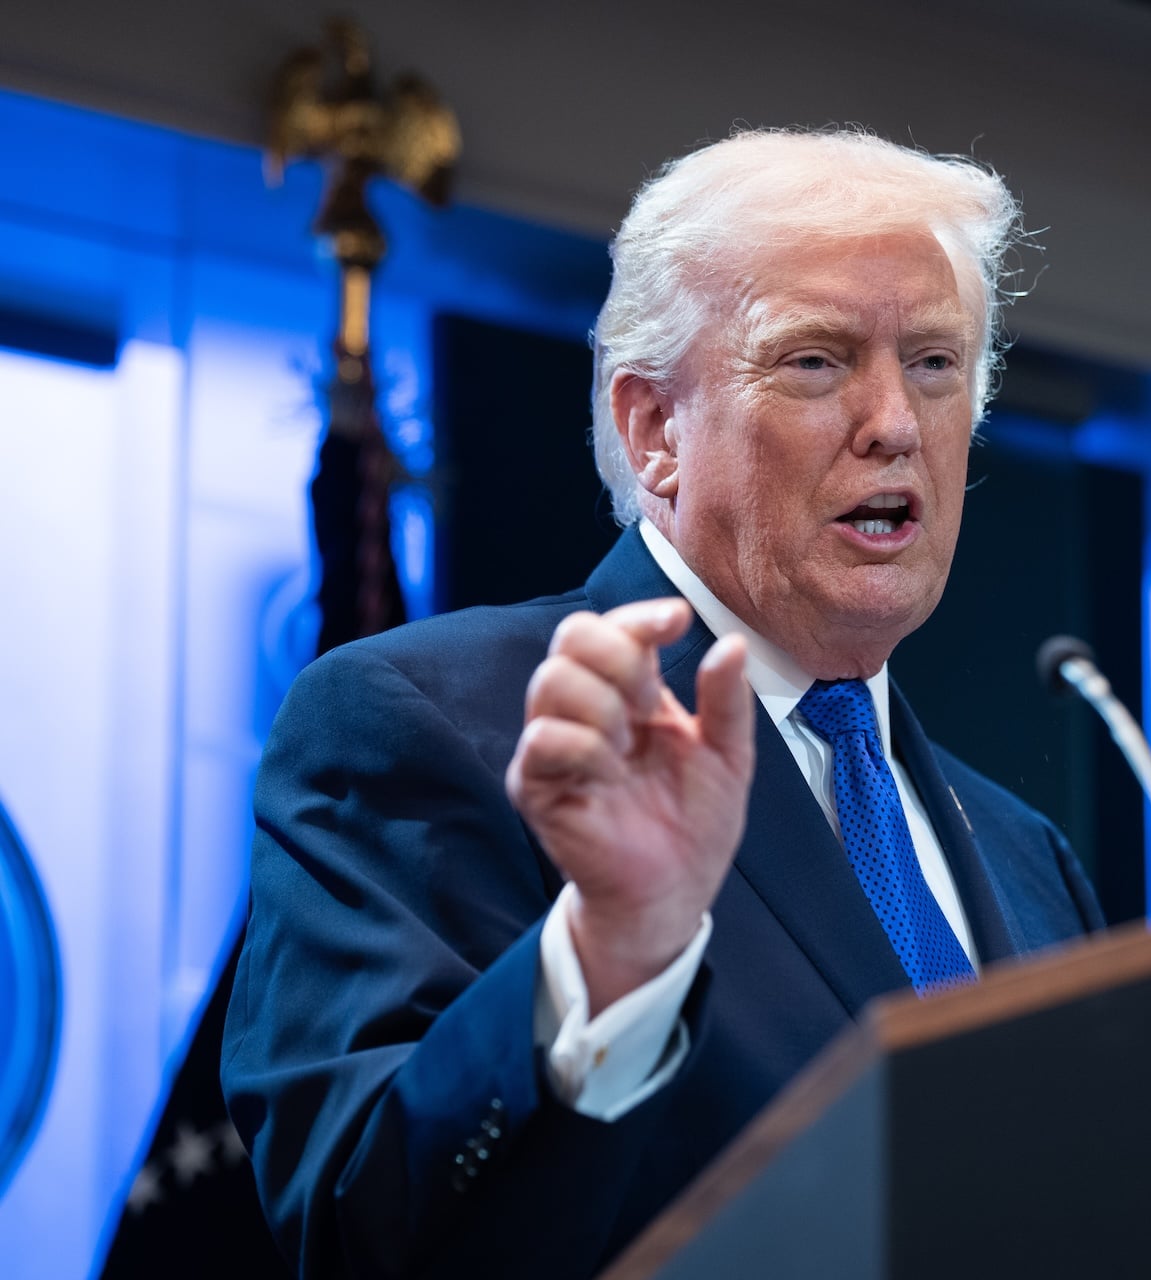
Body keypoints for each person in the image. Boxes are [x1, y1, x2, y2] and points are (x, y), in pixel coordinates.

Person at [222, 128, 1105, 1279]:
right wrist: (606, 959)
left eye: (936, 363)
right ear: (654, 430)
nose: (895, 420)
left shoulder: (1033, 861)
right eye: (817, 361)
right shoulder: (425, 722)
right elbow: (356, 1231)